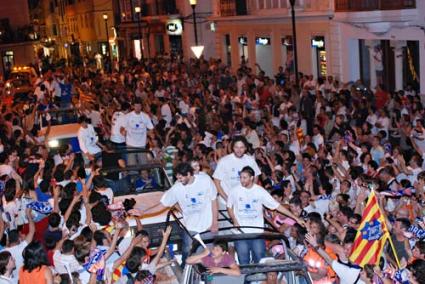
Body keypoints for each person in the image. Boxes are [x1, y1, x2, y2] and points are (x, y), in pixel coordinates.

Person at [131, 162, 218, 265]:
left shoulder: (205, 180)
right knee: (187, 252)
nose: (179, 180)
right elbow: (162, 205)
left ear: (189, 174)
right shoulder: (177, 187)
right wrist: (143, 213)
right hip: (190, 227)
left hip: (207, 225)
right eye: (177, 178)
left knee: (209, 255)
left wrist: (215, 223)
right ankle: (184, 271)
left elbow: (214, 200)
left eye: (181, 178)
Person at [227, 166, 305, 265]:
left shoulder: (260, 191)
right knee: (243, 260)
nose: (242, 180)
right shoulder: (235, 190)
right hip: (240, 232)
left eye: (244, 177)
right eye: (241, 177)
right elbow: (229, 207)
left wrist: (296, 218)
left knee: (260, 260)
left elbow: (277, 206)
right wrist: (234, 220)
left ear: (251, 178)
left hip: (257, 232)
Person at [213, 136, 261, 202]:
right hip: (226, 200)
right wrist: (226, 198)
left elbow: (256, 175)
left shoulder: (250, 160)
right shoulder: (224, 161)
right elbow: (216, 181)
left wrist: (250, 191)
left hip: (245, 200)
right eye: (236, 147)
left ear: (245, 148)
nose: (239, 150)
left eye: (241, 147)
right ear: (233, 148)